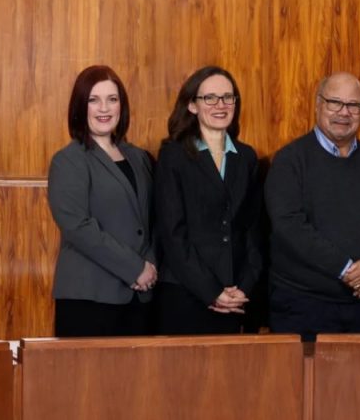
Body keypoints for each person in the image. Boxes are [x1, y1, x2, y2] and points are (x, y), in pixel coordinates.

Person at [265, 72, 360, 341]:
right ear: (318, 104)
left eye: (354, 105)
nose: (344, 112)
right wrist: (347, 269)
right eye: (334, 102)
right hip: (303, 307)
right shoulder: (290, 161)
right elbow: (289, 226)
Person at [47, 65, 157, 336]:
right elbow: (78, 228)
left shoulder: (139, 157)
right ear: (80, 106)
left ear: (122, 105)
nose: (104, 108)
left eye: (112, 99)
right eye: (94, 100)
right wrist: (134, 269)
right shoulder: (69, 160)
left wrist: (149, 267)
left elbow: (154, 219)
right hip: (90, 298)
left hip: (140, 297)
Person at [154, 66, 264, 334]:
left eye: (228, 97)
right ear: (192, 105)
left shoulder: (247, 157)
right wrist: (212, 291)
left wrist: (243, 288)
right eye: (210, 98)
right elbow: (173, 234)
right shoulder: (173, 156)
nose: (220, 105)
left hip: (235, 296)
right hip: (186, 294)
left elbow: (253, 230)